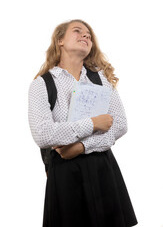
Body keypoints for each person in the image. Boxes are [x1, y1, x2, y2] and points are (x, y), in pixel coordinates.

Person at [28, 19, 138, 227]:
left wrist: (80, 146)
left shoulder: (101, 79)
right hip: (65, 175)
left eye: (88, 35)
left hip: (103, 169)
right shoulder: (41, 85)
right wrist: (94, 123)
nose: (85, 36)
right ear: (60, 40)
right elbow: (42, 134)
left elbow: (120, 124)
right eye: (77, 31)